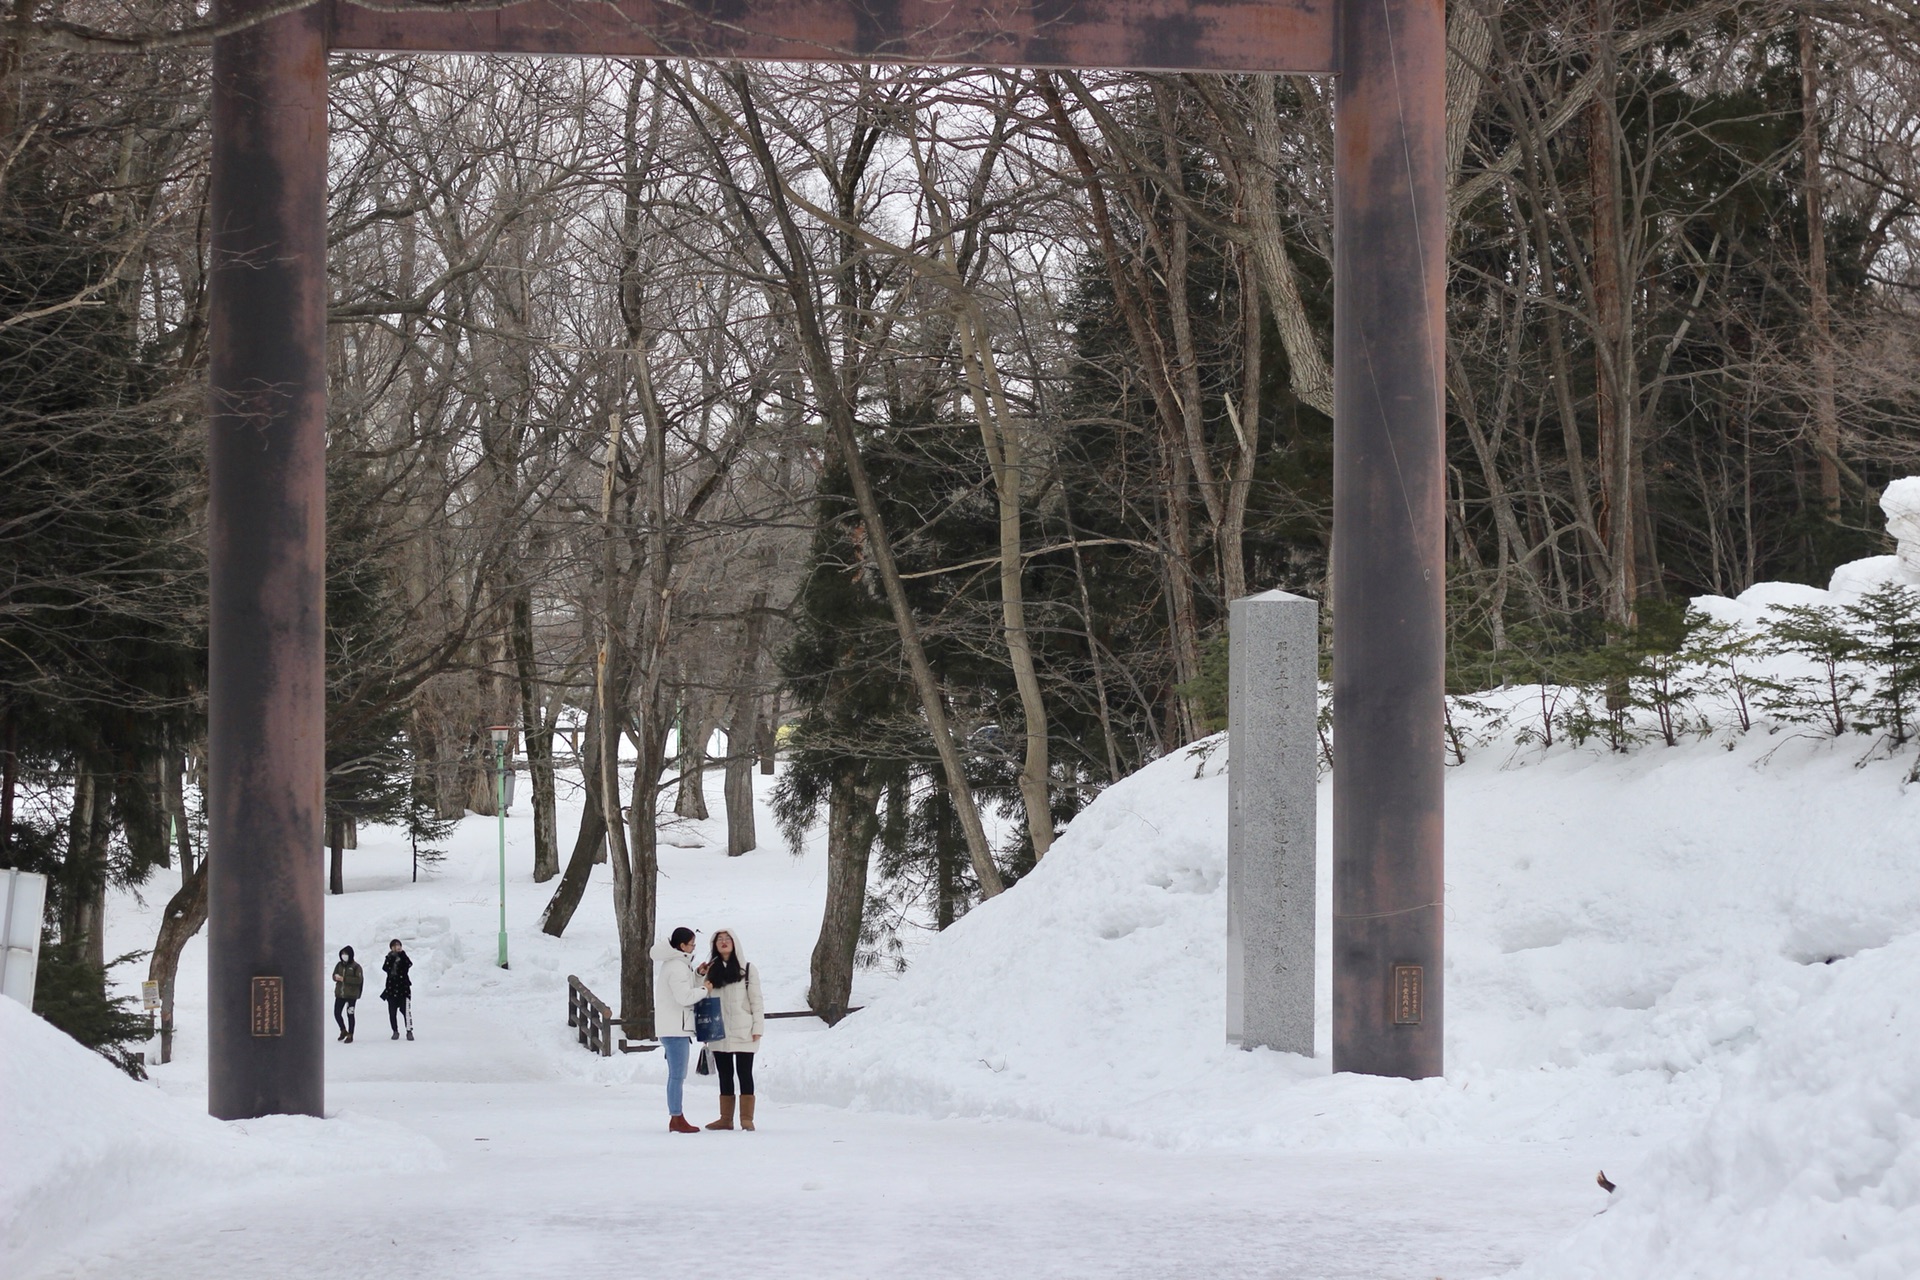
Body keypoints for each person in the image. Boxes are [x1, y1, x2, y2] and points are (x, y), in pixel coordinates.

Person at [701, 928, 764, 1131]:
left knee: (744, 1073)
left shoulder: (747, 968)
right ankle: (725, 1118)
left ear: (735, 942)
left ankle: (747, 1118)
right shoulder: (711, 970)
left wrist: (758, 1027)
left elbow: (756, 1000)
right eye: (720, 939)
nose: (724, 942)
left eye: (728, 938)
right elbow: (702, 997)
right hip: (719, 1031)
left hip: (744, 1029)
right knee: (724, 1074)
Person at [651, 925, 711, 1134]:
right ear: (682, 945)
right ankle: (676, 1117)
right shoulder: (676, 967)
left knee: (676, 1074)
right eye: (692, 943)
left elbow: (684, 986)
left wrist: (697, 974)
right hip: (675, 1028)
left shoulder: (677, 964)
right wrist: (705, 989)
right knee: (677, 1075)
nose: (694, 947)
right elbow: (684, 997)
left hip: (674, 1026)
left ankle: (676, 1116)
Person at [381, 938, 414, 1041]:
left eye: (399, 945)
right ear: (391, 948)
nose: (397, 947)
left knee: (406, 1011)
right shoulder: (389, 957)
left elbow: (408, 965)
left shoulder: (404, 957)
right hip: (391, 989)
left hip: (403, 988)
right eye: (395, 946)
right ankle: (395, 1031)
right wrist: (392, 958)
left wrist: (402, 955)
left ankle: (409, 1031)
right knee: (392, 1012)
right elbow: (385, 968)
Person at [331, 946, 364, 1043]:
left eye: (346, 954)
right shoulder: (339, 965)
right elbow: (334, 974)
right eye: (342, 954)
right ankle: (343, 1030)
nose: (344, 956)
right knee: (337, 1013)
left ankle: (351, 1034)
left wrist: (344, 979)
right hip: (340, 994)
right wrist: (335, 977)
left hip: (351, 995)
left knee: (350, 1014)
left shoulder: (356, 967)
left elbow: (359, 980)